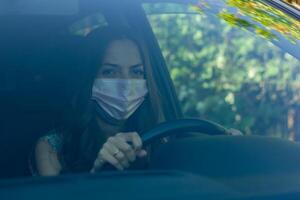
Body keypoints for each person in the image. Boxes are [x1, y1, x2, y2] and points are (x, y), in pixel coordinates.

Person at [31, 26, 166, 176]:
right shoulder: (53, 148)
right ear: (87, 79)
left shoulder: (159, 137)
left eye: (136, 72)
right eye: (109, 72)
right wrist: (97, 172)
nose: (125, 84)